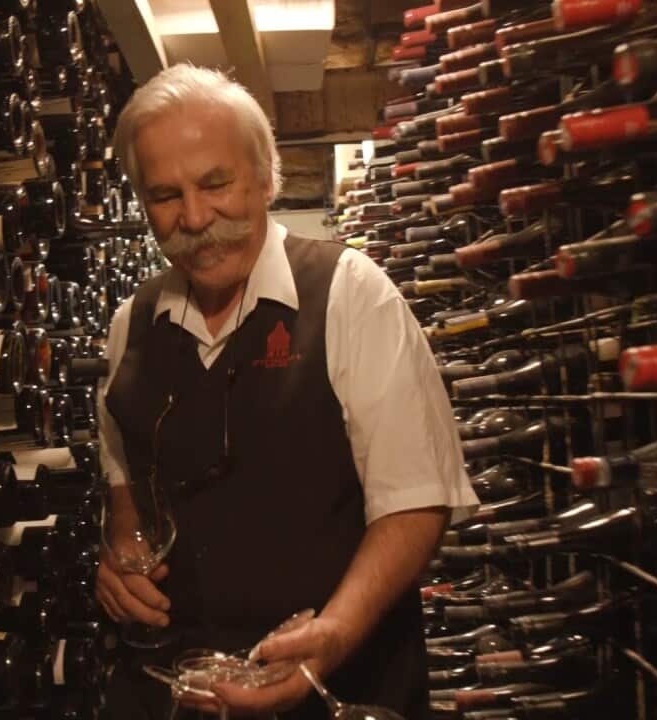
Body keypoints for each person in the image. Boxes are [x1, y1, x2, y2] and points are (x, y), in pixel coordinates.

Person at [96, 64, 477, 719]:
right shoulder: (130, 324)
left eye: (216, 183)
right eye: (165, 195)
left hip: (341, 692)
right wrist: (120, 570)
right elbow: (128, 498)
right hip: (176, 694)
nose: (194, 216)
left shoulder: (351, 295)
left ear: (268, 175)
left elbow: (416, 504)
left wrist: (335, 634)